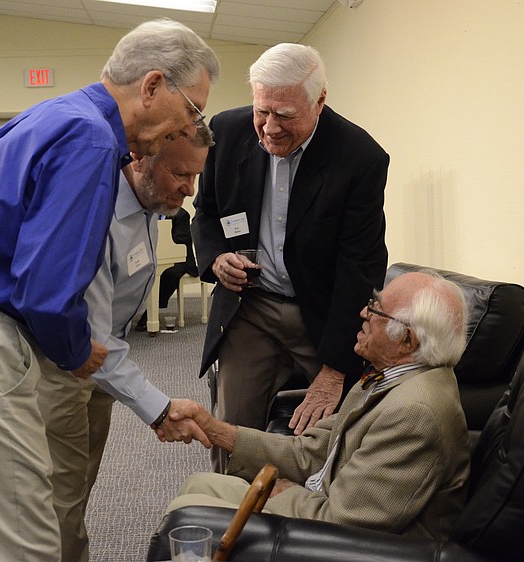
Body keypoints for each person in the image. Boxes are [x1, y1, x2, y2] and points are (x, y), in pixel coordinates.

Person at [0, 18, 219, 562]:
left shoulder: (50, 114)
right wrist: (77, 350)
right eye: (193, 110)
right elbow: (47, 288)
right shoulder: (92, 138)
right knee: (22, 543)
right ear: (153, 86)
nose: (190, 124)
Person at [191, 43, 390, 469]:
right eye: (262, 111)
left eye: (285, 115)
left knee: (337, 432)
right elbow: (205, 212)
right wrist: (216, 258)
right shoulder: (227, 132)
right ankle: (232, 503)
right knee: (231, 431)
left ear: (320, 100)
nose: (270, 128)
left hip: (320, 311)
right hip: (252, 306)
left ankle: (309, 507)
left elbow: (360, 268)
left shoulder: (359, 158)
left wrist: (334, 370)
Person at [165, 271, 471, 541]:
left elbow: (343, 521)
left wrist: (286, 492)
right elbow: (309, 452)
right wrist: (213, 428)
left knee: (188, 515)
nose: (363, 312)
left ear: (407, 340)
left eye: (377, 309)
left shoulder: (413, 412)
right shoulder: (390, 377)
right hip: (318, 505)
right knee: (198, 485)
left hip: (346, 542)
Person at [38, 132, 212, 562]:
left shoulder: (149, 201)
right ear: (138, 160)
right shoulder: (96, 212)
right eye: (181, 173)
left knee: (79, 484)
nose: (189, 190)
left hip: (104, 363)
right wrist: (159, 408)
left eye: (196, 176)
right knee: (59, 499)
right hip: (65, 364)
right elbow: (93, 334)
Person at [135, 206, 198, 331]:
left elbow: (181, 240)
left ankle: (150, 313)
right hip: (153, 256)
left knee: (169, 273)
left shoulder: (181, 215)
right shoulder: (148, 214)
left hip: (180, 258)